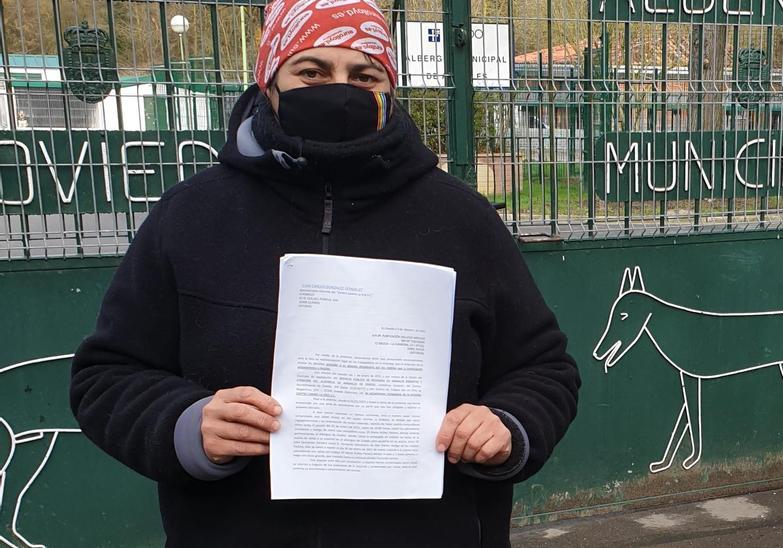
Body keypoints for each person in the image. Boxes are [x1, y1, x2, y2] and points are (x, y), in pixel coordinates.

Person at [69, 1, 580, 546]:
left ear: (390, 90)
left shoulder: (461, 219)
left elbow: (543, 369)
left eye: (365, 75)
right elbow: (107, 376)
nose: (340, 89)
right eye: (311, 71)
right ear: (268, 81)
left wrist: (507, 425)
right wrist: (186, 426)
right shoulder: (192, 215)